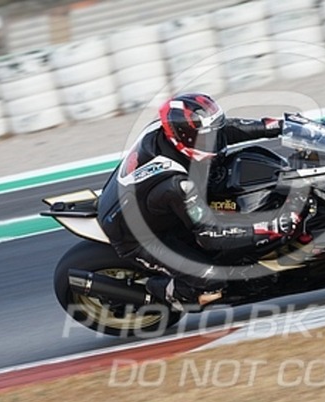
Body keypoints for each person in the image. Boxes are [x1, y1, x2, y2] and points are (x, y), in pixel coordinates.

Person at [96, 92, 304, 311]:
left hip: (153, 205)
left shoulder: (166, 130)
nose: (215, 139)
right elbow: (209, 235)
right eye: (208, 137)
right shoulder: (176, 184)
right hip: (140, 237)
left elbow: (227, 130)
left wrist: (280, 127)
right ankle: (157, 291)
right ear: (185, 138)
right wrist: (270, 227)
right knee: (212, 279)